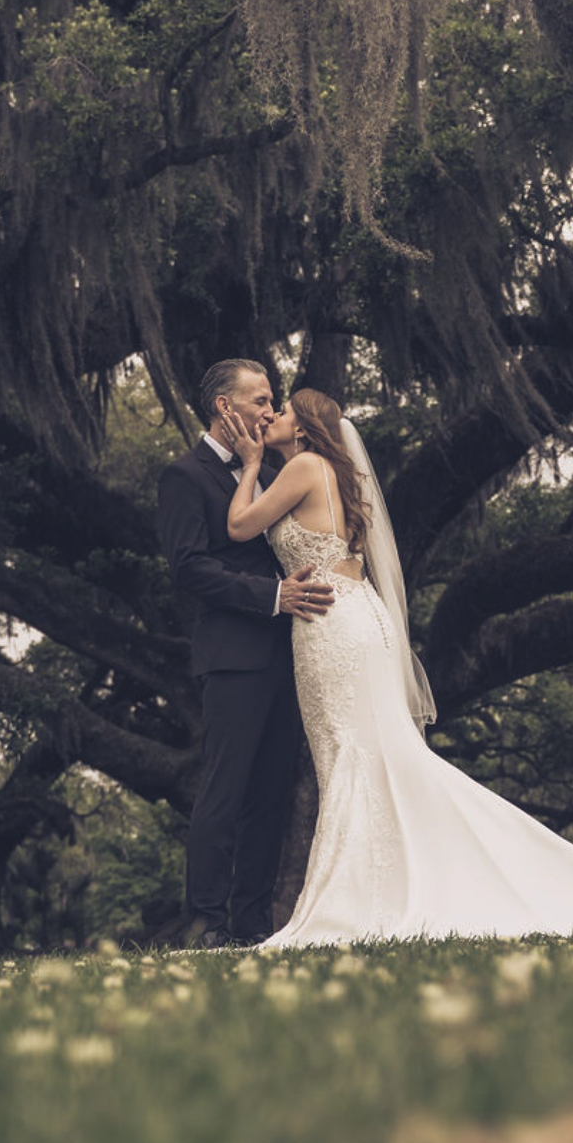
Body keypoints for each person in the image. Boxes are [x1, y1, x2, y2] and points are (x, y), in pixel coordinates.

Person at [216, 388, 573, 947]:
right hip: (351, 617)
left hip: (334, 624)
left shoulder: (304, 465)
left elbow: (239, 526)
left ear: (306, 428)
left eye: (282, 411)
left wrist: (251, 466)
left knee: (351, 755)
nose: (271, 418)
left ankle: (358, 901)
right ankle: (371, 889)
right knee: (362, 755)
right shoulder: (325, 471)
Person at [155, 359, 335, 949]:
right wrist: (273, 595)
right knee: (225, 791)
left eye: (271, 401)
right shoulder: (186, 476)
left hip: (291, 653)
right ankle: (206, 922)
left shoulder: (279, 470)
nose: (269, 409)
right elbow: (190, 568)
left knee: (272, 797)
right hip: (234, 655)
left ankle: (254, 924)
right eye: (260, 400)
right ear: (224, 408)